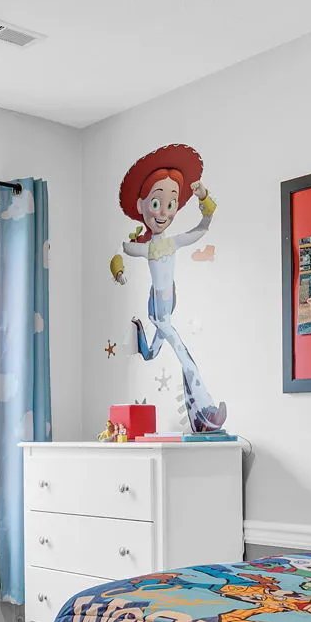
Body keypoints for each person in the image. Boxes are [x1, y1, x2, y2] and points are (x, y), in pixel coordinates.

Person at [117, 144, 226, 432]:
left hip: (168, 305)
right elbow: (122, 249)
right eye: (156, 204)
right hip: (159, 311)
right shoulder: (148, 248)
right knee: (183, 353)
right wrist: (119, 268)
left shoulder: (173, 242)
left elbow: (202, 228)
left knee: (153, 353)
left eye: (171, 204)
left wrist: (204, 198)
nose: (163, 212)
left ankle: (141, 340)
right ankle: (205, 411)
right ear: (142, 206)